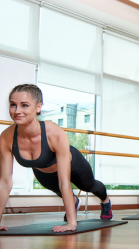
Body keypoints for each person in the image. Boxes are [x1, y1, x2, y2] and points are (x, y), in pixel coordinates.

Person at [0, 84, 113, 233]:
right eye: (13, 105)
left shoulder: (54, 133)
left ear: (38, 107)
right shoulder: (6, 137)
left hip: (73, 165)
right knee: (63, 193)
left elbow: (64, 182)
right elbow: (5, 182)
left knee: (89, 186)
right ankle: (74, 202)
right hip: (43, 173)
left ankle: (105, 201)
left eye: (24, 105)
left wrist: (72, 223)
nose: (17, 111)